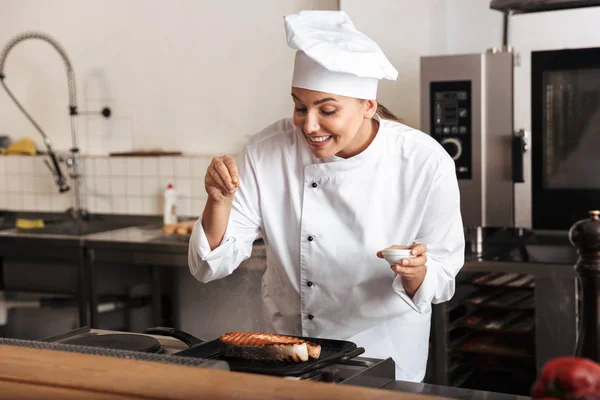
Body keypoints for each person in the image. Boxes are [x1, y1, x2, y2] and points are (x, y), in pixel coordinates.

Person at [188, 10, 464, 382]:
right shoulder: (267, 151)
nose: (309, 126)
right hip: (287, 351)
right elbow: (210, 266)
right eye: (300, 107)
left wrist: (417, 272)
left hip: (384, 356)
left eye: (327, 109)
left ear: (368, 105)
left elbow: (443, 278)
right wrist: (217, 201)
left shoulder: (424, 162)